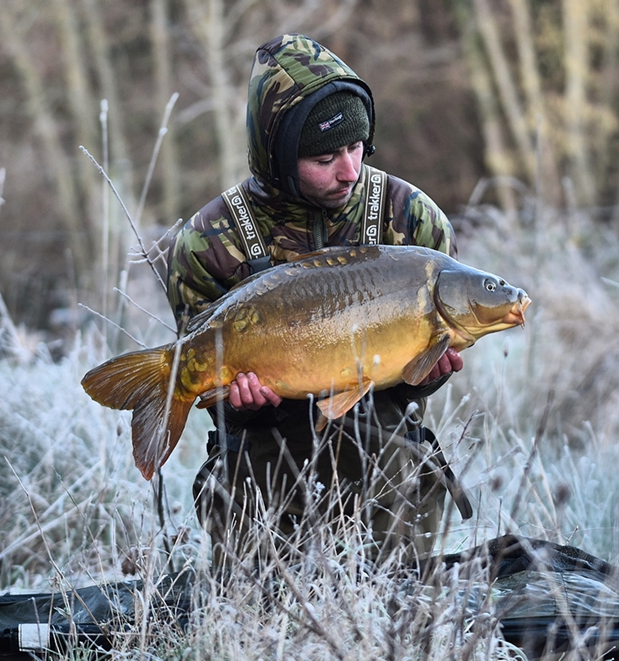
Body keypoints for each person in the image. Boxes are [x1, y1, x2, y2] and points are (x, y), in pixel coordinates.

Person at [165, 33, 468, 568]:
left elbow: (419, 368)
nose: (349, 171)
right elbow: (207, 390)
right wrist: (234, 401)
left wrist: (435, 370)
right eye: (326, 157)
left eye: (357, 148)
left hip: (384, 450)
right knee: (256, 620)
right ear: (277, 155)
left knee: (399, 610)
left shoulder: (412, 220)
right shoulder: (208, 239)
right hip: (260, 453)